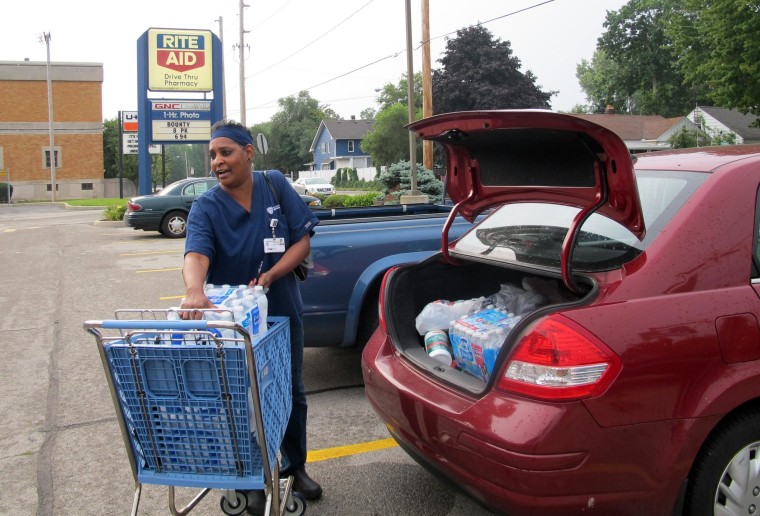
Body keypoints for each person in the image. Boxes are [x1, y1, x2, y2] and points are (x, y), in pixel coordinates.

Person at [180, 120, 322, 509]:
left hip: (279, 308)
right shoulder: (206, 207)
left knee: (290, 389)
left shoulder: (274, 184)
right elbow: (196, 254)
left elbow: (302, 238)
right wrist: (195, 289)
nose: (217, 162)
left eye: (225, 152)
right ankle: (249, 475)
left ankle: (294, 467)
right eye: (212, 155)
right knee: (239, 397)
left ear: (248, 152)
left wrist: (274, 275)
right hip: (233, 321)